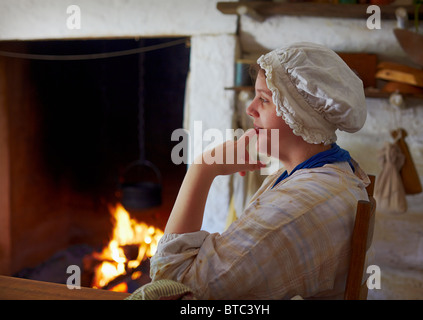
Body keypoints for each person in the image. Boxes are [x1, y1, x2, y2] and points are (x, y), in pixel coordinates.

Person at [149, 42, 371, 299]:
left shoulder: (301, 204)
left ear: (300, 115)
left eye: (264, 99)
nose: (250, 109)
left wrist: (203, 168)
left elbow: (171, 288)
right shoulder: (326, 172)